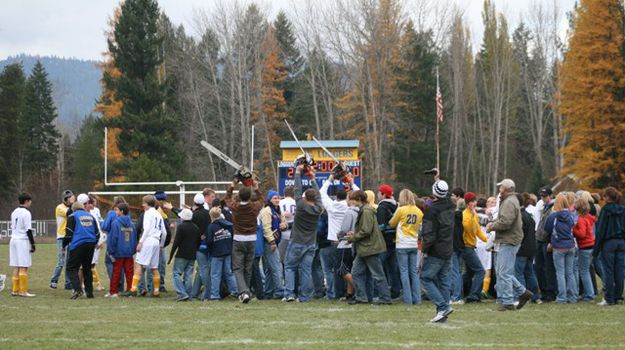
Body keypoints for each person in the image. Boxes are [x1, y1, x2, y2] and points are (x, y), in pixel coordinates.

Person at [486, 179, 532, 311]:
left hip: (508, 240)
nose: (499, 190)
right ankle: (522, 293)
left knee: (504, 273)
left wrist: (491, 226)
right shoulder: (510, 201)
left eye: (500, 188)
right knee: (502, 272)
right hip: (507, 239)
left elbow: (506, 222)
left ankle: (507, 301)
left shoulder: (509, 202)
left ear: (505, 189)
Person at [283, 164, 323, 303]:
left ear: (305, 198)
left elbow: (297, 190)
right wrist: (312, 179)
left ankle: (289, 294)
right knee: (306, 270)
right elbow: (318, 196)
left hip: (297, 241)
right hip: (311, 243)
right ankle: (305, 297)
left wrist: (298, 172)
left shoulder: (301, 205)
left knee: (289, 267)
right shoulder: (318, 209)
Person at [346, 190, 390, 305]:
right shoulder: (365, 209)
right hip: (365, 248)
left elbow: (366, 230)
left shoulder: (366, 211)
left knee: (377, 274)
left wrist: (353, 237)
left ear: (359, 199)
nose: (350, 201)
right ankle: (361, 297)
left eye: (352, 199)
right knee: (356, 273)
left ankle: (385, 298)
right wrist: (355, 233)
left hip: (369, 247)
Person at [319, 174, 359, 300]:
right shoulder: (349, 206)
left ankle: (357, 288)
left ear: (336, 197)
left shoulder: (331, 206)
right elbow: (360, 194)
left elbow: (321, 193)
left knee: (339, 270)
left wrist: (330, 180)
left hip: (336, 241)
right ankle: (348, 293)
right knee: (348, 268)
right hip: (351, 240)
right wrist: (352, 183)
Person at [224, 179, 264, 303]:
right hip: (252, 239)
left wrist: (232, 186)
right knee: (248, 267)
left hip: (238, 239)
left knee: (238, 268)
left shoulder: (235, 207)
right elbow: (262, 199)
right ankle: (246, 291)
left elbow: (227, 199)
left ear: (239, 196)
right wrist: (256, 187)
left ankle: (244, 291)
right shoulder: (254, 207)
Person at [420, 179, 455, 322]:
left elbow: (429, 233)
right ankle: (443, 312)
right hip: (448, 248)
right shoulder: (451, 206)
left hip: (436, 250)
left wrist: (424, 249)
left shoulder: (432, 210)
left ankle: (442, 307)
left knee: (425, 278)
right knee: (444, 281)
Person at [123, 195, 167, 297]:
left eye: (143, 203)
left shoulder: (148, 213)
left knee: (138, 264)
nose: (142, 205)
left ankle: (133, 290)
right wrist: (161, 245)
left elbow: (146, 229)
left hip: (148, 240)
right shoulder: (159, 214)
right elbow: (164, 232)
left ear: (147, 204)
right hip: (156, 241)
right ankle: (156, 291)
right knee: (154, 267)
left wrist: (141, 242)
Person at [388, 189, 423, 305]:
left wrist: (397, 209)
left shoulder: (401, 210)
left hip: (402, 243)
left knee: (404, 272)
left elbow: (392, 223)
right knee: (414, 272)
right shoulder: (418, 211)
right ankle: (417, 299)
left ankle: (408, 299)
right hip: (413, 243)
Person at [594, 187, 625, 306]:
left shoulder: (605, 210)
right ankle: (618, 296)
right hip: (621, 242)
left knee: (608, 271)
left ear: (607, 197)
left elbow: (601, 230)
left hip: (609, 243)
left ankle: (609, 298)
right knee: (620, 271)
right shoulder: (622, 209)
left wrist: (596, 249)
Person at [544, 193, 577, 304]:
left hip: (559, 246)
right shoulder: (571, 215)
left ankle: (562, 297)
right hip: (571, 245)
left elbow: (547, 228)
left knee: (560, 273)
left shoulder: (553, 216)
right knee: (570, 272)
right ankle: (572, 297)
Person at [63, 201, 99, 299]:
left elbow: (69, 233)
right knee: (87, 268)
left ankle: (78, 289)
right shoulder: (90, 216)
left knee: (71, 268)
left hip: (78, 244)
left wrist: (64, 245)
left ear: (73, 209)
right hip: (91, 244)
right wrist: (93, 244)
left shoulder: (73, 216)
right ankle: (89, 292)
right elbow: (97, 234)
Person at [259, 190, 287, 299]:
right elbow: (266, 228)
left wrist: (284, 226)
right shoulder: (267, 210)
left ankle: (269, 291)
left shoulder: (278, 210)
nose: (277, 200)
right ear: (270, 199)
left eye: (278, 198)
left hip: (276, 242)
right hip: (269, 243)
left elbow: (283, 223)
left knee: (270, 269)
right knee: (276, 267)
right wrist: (271, 241)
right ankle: (279, 291)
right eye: (274, 198)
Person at [168, 209, 200, 302]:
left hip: (181, 254)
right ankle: (188, 294)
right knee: (188, 275)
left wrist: (171, 256)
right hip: (192, 255)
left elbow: (176, 242)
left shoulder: (181, 227)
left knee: (176, 273)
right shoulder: (196, 227)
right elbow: (198, 242)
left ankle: (182, 293)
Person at [462, 192, 488, 303]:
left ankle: (461, 291)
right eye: (472, 201)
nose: (474, 203)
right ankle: (473, 296)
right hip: (466, 247)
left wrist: (488, 240)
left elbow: (477, 230)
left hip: (471, 246)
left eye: (474, 200)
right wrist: (472, 214)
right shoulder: (465, 215)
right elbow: (467, 227)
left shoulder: (474, 215)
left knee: (469, 273)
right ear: (468, 203)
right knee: (480, 271)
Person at [207, 207, 238, 300]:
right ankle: (235, 291)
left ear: (211, 216)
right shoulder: (228, 225)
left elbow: (209, 241)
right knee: (229, 273)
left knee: (215, 275)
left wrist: (211, 251)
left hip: (216, 253)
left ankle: (215, 295)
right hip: (228, 252)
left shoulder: (212, 226)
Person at [515, 193, 541, 304]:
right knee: (530, 273)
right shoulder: (529, 216)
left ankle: (522, 296)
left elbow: (519, 234)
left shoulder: (519, 217)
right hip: (531, 248)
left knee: (519, 273)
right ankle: (536, 297)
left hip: (522, 249)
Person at [106, 203, 137, 298]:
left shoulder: (115, 223)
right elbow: (134, 238)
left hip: (118, 253)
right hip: (129, 253)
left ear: (121, 211)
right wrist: (132, 250)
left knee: (116, 273)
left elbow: (113, 239)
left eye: (117, 210)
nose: (115, 212)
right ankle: (130, 291)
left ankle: (113, 292)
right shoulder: (132, 224)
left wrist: (111, 251)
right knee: (129, 273)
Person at [377, 184, 401, 300]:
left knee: (379, 269)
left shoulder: (382, 207)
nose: (377, 194)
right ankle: (395, 292)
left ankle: (382, 293)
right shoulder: (396, 205)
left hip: (384, 242)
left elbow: (381, 226)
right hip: (394, 240)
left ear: (383, 194)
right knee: (393, 269)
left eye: (379, 192)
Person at [10, 193, 36, 297]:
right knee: (24, 266)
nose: (30, 203)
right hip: (22, 241)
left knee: (16, 266)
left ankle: (15, 290)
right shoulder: (26, 213)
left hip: (13, 240)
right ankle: (23, 291)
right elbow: (28, 230)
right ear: (26, 201)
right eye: (30, 201)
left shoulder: (14, 212)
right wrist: (33, 243)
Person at [101, 196, 127, 294]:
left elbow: (105, 227)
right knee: (120, 265)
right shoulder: (126, 214)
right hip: (124, 243)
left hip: (113, 242)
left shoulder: (112, 213)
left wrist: (101, 222)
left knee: (109, 262)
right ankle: (120, 287)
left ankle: (115, 285)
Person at [535, 187, 557, 302]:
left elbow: (553, 227)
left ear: (550, 196)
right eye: (542, 196)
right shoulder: (544, 207)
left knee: (548, 268)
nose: (543, 198)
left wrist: (551, 242)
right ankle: (543, 291)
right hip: (540, 240)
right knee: (539, 267)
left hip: (547, 241)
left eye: (545, 196)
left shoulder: (553, 208)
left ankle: (550, 293)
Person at [50, 190, 75, 290]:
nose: (70, 200)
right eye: (69, 198)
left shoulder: (71, 208)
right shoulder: (60, 207)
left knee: (69, 262)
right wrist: (73, 204)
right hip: (62, 237)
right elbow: (69, 213)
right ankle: (54, 280)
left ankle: (68, 283)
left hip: (70, 237)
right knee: (61, 261)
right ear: (65, 199)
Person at [573, 197, 596, 302]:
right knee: (585, 270)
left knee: (584, 271)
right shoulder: (589, 218)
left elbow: (581, 234)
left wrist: (573, 229)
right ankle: (588, 292)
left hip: (585, 246)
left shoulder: (581, 220)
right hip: (591, 245)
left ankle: (589, 294)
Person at [190, 192, 211, 301]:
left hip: (199, 245)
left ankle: (206, 294)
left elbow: (193, 230)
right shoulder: (208, 213)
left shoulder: (194, 214)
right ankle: (194, 293)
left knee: (203, 269)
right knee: (201, 269)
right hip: (208, 244)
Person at [279, 186, 297, 262]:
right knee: (292, 260)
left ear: (284, 194)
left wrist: (282, 214)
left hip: (282, 233)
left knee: (281, 259)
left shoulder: (280, 202)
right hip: (294, 233)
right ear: (293, 194)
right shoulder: (296, 202)